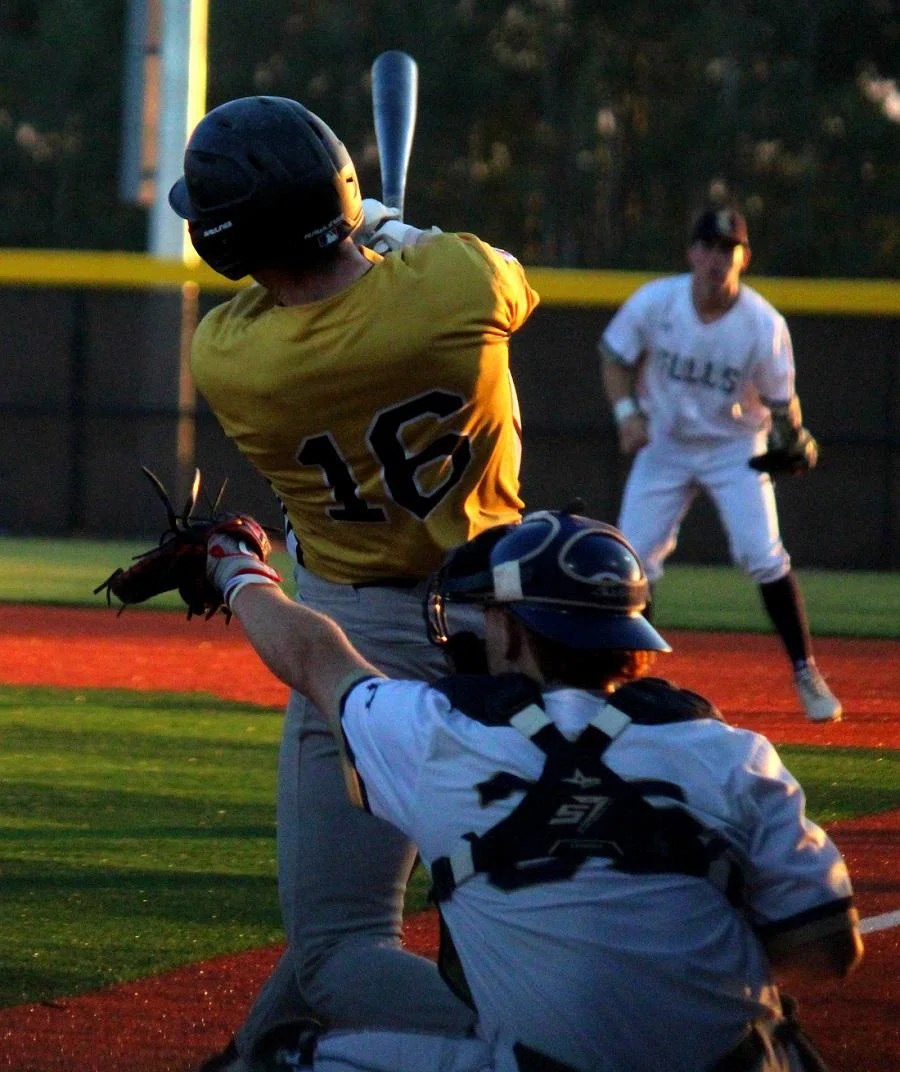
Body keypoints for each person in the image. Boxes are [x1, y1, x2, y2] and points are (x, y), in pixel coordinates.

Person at [196, 508, 863, 1072]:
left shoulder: (444, 738)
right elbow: (828, 949)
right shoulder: (736, 754)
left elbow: (316, 658)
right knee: (779, 1034)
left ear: (514, 630)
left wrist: (235, 568)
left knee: (282, 1057)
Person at [167, 95, 539, 1070]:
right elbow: (501, 284)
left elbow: (314, 300)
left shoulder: (230, 357)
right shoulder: (455, 285)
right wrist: (385, 228)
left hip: (356, 634)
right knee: (487, 916)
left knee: (340, 937)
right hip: (513, 627)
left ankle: (539, 1054)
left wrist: (358, 241)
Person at [599, 205, 842, 724]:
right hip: (665, 442)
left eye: (727, 249)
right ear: (691, 252)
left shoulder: (762, 324)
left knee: (762, 552)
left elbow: (781, 403)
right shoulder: (657, 301)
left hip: (736, 447)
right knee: (633, 560)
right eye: (708, 246)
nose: (716, 258)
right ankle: (633, 681)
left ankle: (805, 670)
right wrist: (627, 413)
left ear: (744, 258)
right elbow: (614, 355)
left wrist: (792, 434)